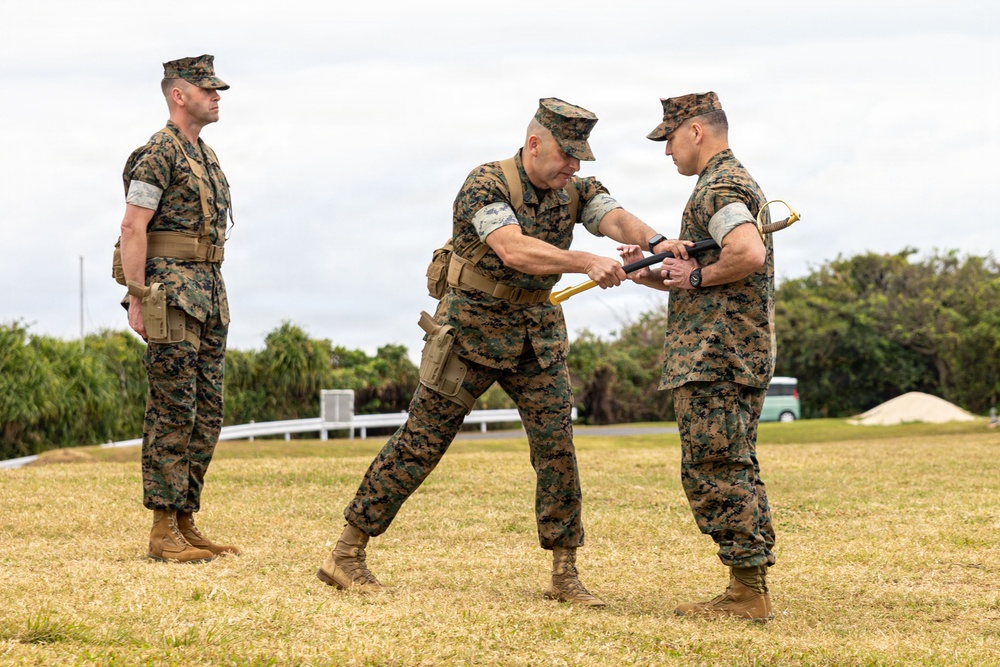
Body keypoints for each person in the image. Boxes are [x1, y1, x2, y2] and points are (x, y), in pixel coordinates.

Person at [317, 98, 669, 605]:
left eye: (580, 158)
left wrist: (658, 239)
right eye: (567, 156)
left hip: (536, 334)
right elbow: (512, 248)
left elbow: (613, 218)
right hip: (471, 330)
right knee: (422, 440)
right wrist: (585, 261)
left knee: (556, 448)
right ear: (534, 144)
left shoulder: (575, 189)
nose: (574, 167)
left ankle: (563, 573)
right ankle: (345, 554)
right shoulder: (487, 184)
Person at [620, 92, 776, 620]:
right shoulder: (721, 186)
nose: (666, 152)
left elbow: (748, 252)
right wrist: (649, 272)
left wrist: (699, 274)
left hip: (717, 355)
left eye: (668, 139)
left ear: (695, 131)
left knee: (716, 467)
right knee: (732, 463)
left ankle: (747, 593)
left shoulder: (721, 187)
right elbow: (698, 278)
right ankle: (746, 583)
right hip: (726, 349)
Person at [118, 55, 239, 563]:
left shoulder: (205, 156)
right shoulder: (156, 154)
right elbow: (133, 228)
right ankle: (162, 527)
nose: (216, 97)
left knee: (206, 411)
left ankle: (186, 519)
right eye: (206, 89)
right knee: (172, 408)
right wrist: (137, 297)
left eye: (217, 89)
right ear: (178, 95)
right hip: (170, 295)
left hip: (208, 294)